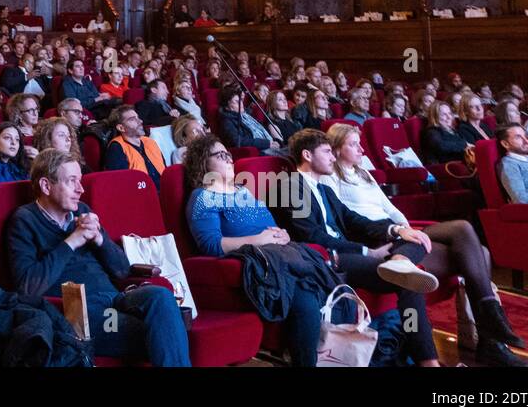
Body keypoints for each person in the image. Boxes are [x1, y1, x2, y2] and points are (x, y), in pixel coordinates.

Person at [323, 124, 526, 366]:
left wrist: (405, 229)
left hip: (398, 235)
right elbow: (345, 220)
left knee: (469, 238)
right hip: (376, 238)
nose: (361, 149)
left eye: (360, 143)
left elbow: (389, 208)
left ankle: (489, 336)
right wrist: (394, 234)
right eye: (353, 144)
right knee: (473, 245)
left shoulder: (364, 173)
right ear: (335, 150)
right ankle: (490, 337)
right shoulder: (330, 177)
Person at [271, 129, 442, 366]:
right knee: (408, 280)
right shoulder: (290, 186)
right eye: (327, 152)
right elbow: (310, 236)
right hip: (328, 259)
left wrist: (396, 230)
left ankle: (400, 262)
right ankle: (427, 360)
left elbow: (354, 220)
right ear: (307, 155)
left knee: (412, 255)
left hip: (346, 253)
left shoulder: (325, 190)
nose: (333, 157)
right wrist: (366, 251)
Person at [7, 149, 190, 366]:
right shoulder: (24, 220)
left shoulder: (81, 211)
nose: (80, 189)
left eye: (80, 181)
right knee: (166, 330)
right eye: (72, 181)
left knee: (161, 297)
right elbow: (28, 287)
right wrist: (72, 241)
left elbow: (122, 270)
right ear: (46, 186)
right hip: (75, 312)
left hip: (114, 298)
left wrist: (100, 238)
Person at [184, 134, 326, 366]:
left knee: (324, 284)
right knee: (307, 300)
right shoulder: (203, 196)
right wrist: (258, 240)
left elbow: (269, 224)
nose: (229, 159)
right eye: (220, 155)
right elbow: (211, 245)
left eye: (229, 154)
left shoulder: (243, 191)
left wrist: (283, 234)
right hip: (257, 265)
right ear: (203, 162)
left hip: (280, 255)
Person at [217, 85, 282, 153]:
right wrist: (266, 143)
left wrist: (276, 141)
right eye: (237, 102)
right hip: (260, 150)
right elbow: (237, 141)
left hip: (270, 145)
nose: (241, 103)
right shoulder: (227, 121)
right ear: (227, 106)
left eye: (241, 100)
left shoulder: (247, 115)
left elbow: (262, 129)